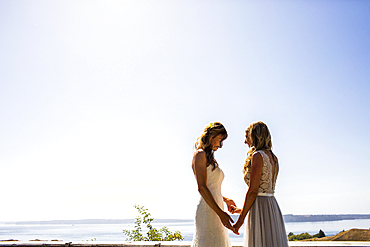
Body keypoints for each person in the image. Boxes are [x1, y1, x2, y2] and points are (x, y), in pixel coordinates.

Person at [232, 121, 289, 247]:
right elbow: (265, 190)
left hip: (260, 210)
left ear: (255, 136)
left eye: (247, 137)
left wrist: (239, 221)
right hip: (271, 207)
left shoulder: (258, 156)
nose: (245, 141)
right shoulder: (274, 158)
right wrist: (241, 210)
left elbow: (253, 191)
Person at [191, 122, 236, 247]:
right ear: (212, 136)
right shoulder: (200, 155)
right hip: (208, 210)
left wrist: (226, 200)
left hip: (217, 208)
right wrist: (221, 214)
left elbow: (212, 188)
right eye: (220, 140)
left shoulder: (210, 158)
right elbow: (202, 187)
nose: (221, 145)